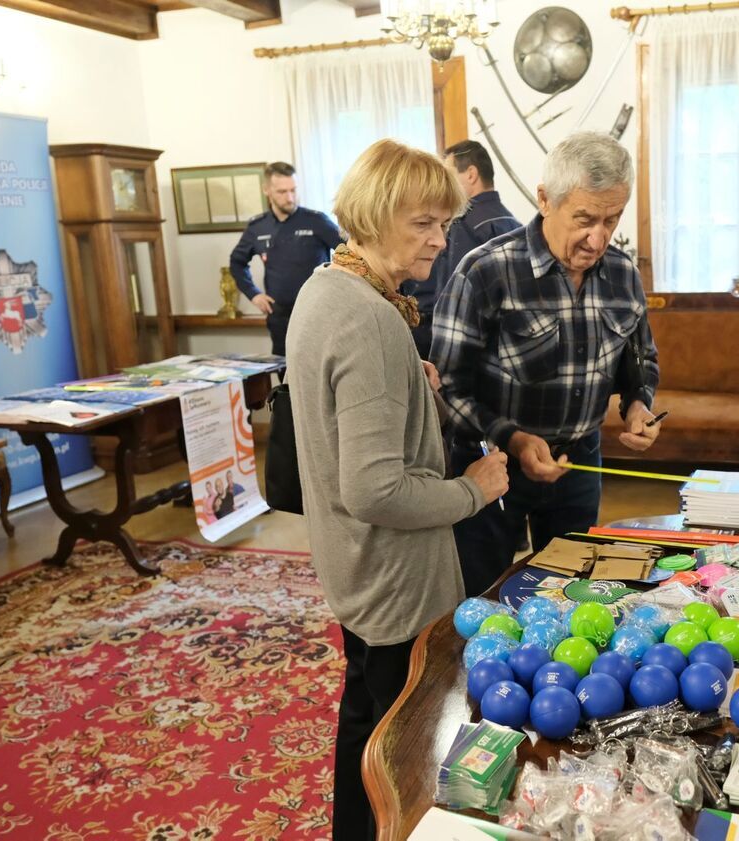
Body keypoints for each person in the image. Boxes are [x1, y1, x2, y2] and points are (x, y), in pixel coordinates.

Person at [286, 138, 509, 841]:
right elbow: (377, 488)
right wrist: (474, 489)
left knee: (366, 733)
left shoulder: (326, 290)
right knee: (410, 754)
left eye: (444, 223)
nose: (441, 241)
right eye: (424, 223)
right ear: (377, 216)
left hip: (355, 570)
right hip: (395, 581)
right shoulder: (370, 318)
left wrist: (409, 388)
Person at [432, 131, 661, 597]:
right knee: (484, 599)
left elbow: (640, 361)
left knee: (573, 595)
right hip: (491, 465)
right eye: (585, 218)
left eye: (612, 220)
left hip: (580, 464)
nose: (598, 238)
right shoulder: (485, 271)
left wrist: (639, 404)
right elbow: (447, 389)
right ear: (544, 199)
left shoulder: (622, 274)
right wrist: (514, 441)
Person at [400, 140, 522, 359]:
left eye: (449, 173)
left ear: (471, 174)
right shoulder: (513, 222)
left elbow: (451, 298)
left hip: (461, 347)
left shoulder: (463, 225)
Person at [229, 162, 343, 356]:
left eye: (293, 190)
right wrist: (254, 294)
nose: (290, 198)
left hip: (318, 313)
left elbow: (350, 253)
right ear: (267, 190)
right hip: (280, 317)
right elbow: (236, 262)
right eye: (282, 192)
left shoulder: (316, 221)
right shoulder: (258, 226)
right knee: (285, 377)